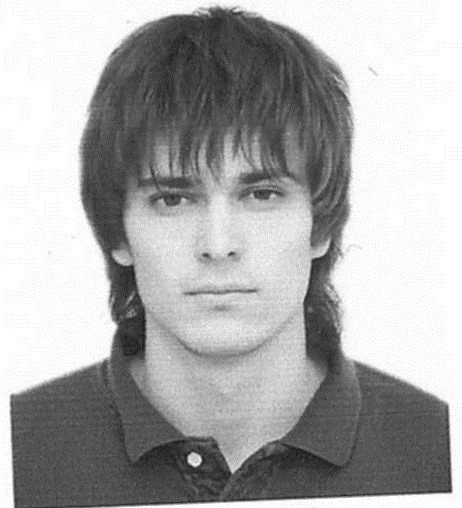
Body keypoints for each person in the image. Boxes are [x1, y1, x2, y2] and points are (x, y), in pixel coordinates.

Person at [10, 6, 451, 507]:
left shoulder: (436, 447)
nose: (218, 246)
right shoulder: (20, 449)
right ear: (118, 233)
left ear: (321, 225)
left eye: (261, 194)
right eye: (172, 200)